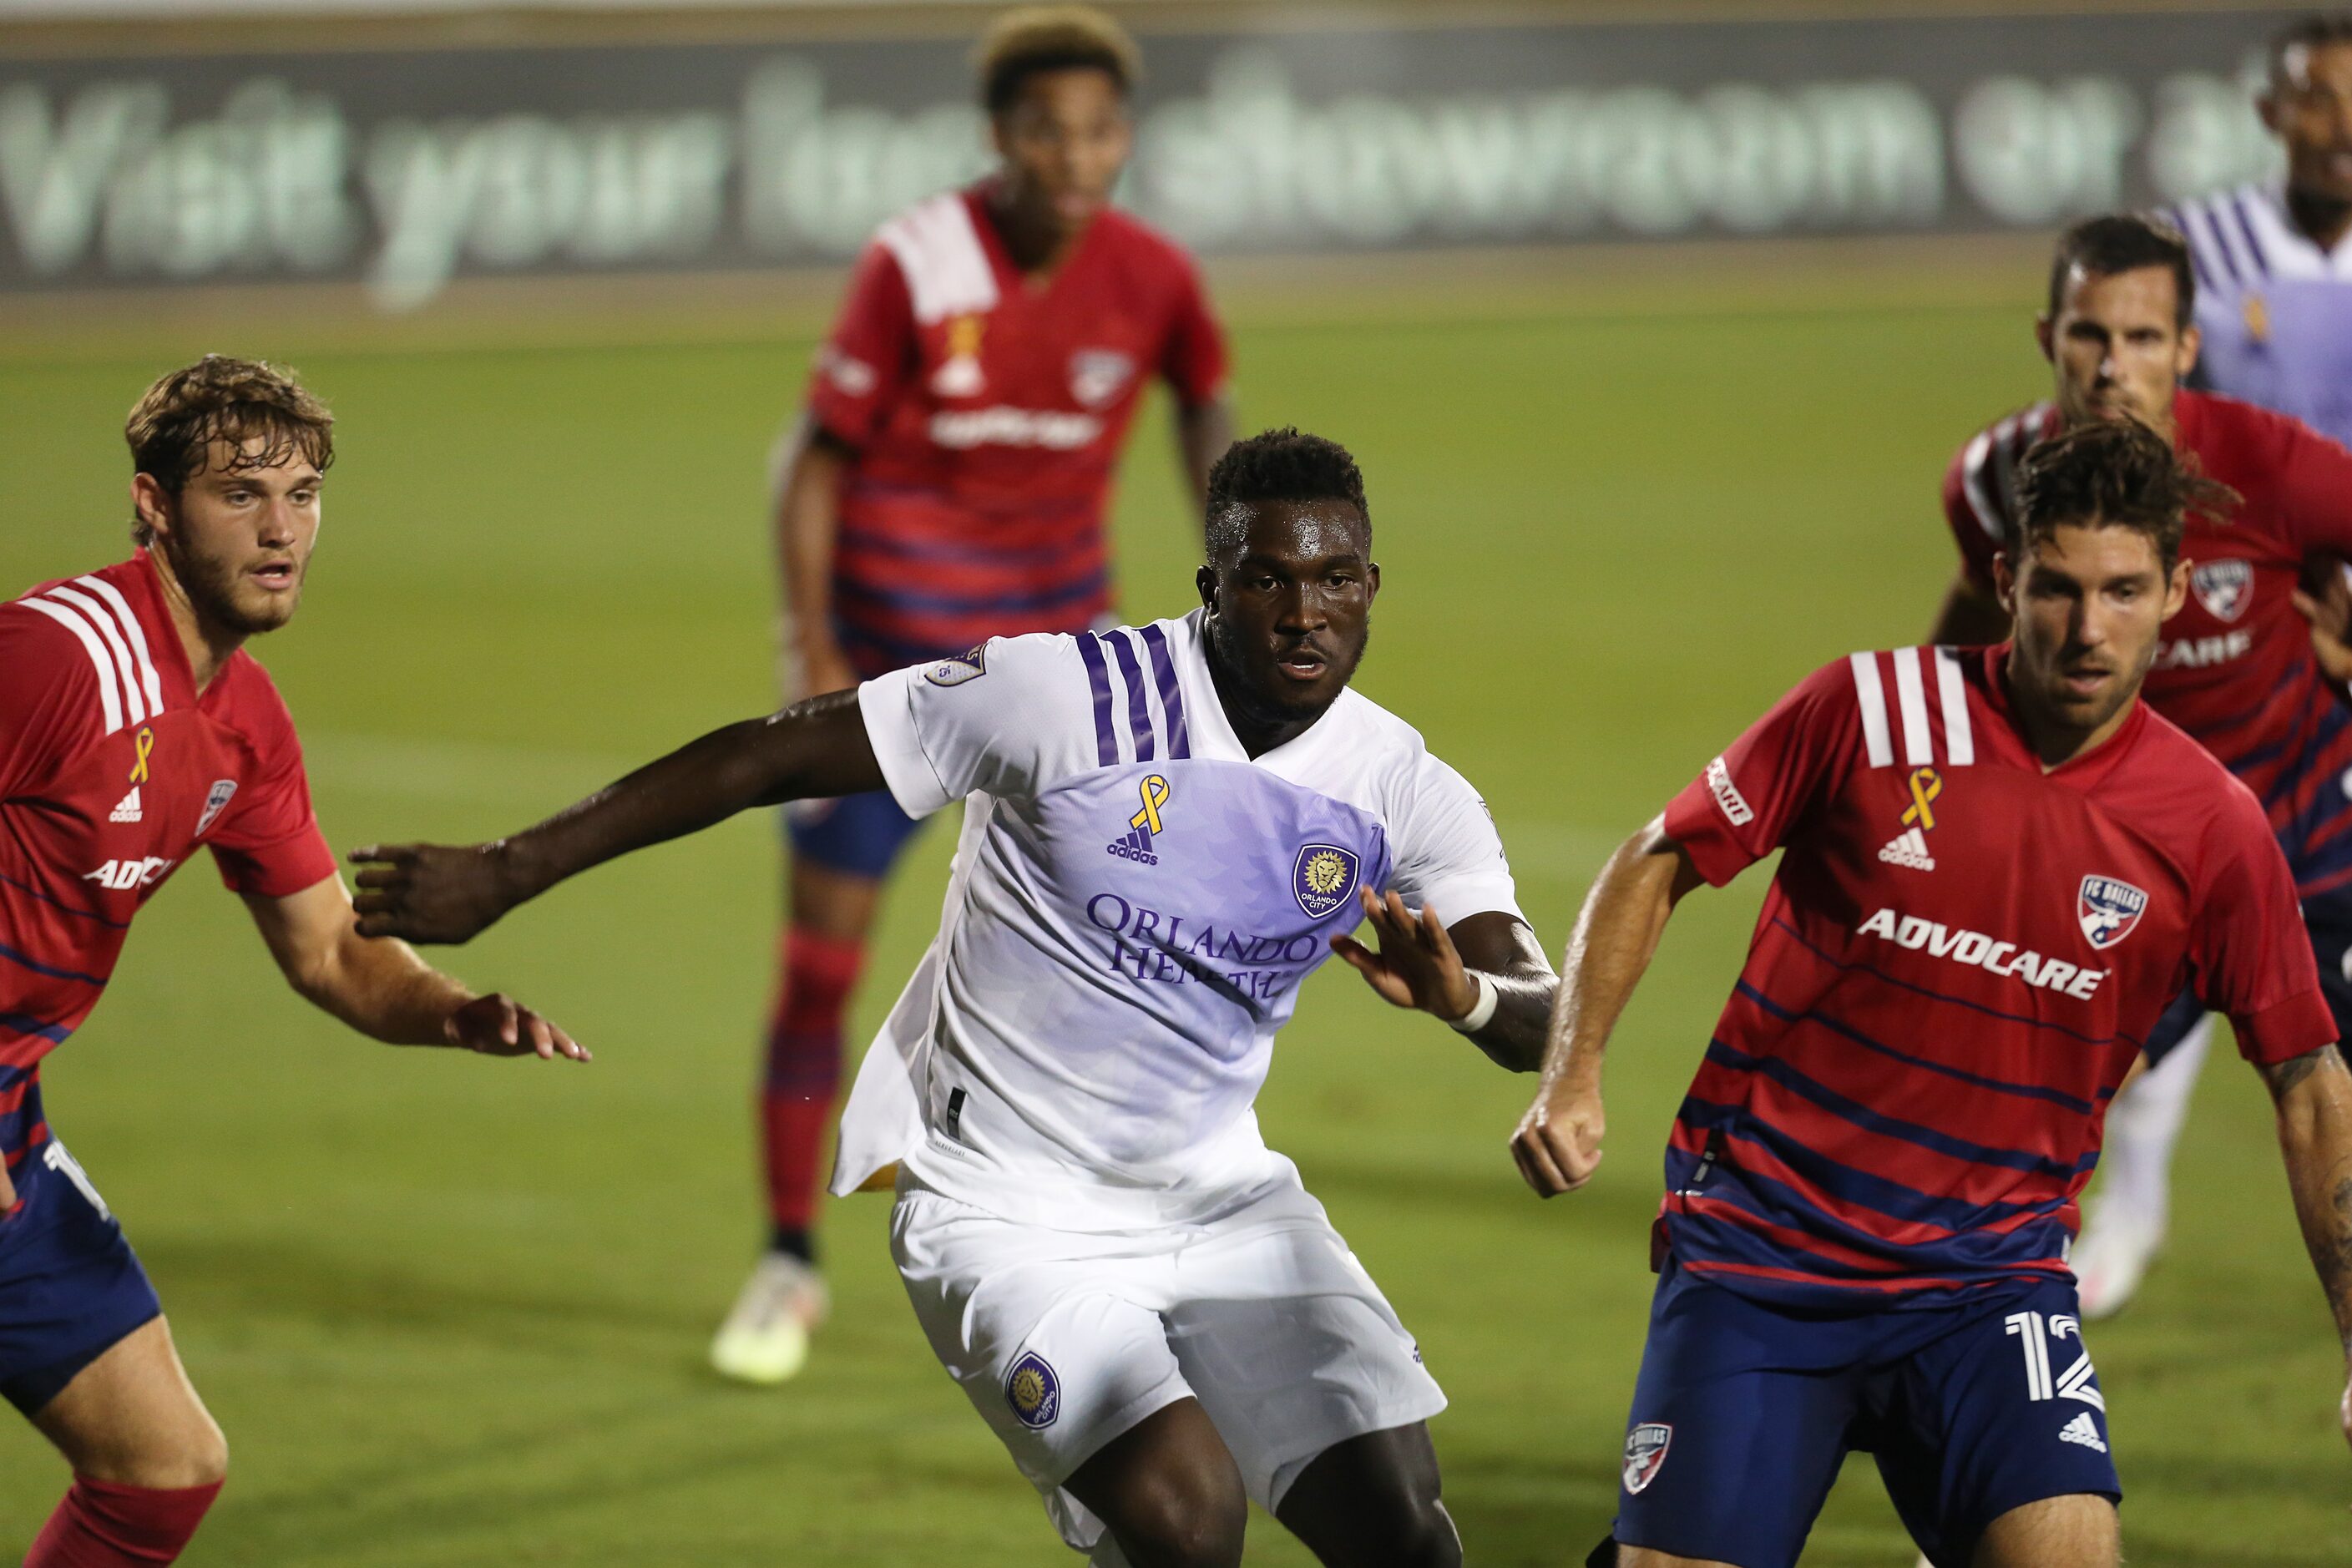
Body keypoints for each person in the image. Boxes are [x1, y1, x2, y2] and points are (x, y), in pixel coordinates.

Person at [351, 429, 1555, 1568]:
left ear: (1373, 583)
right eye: (1269, 580)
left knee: (1402, 1529)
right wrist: (507, 870)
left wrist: (1460, 999)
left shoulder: (1404, 790)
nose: (1305, 613)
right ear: (1211, 584)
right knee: (1188, 1521)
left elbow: (1546, 1023)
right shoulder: (1066, 696)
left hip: (1218, 1198)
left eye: (1336, 579)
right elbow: (765, 754)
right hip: (1001, 1207)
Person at [1513, 420, 2352, 1568]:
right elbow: (1658, 854)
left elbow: (2307, 1077)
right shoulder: (1869, 712)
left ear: (2171, 594)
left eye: (2122, 590)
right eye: (2057, 587)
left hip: (1986, 1283)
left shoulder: (2209, 825)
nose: (2088, 626)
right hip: (1765, 1259)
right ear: (2006, 580)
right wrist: (1574, 1073)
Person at [0, 356, 584, 1568]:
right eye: (240, 494)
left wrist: (454, 1010)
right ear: (154, 504)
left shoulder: (243, 720)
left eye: (305, 493)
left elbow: (329, 950)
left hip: (13, 1128)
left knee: (160, 1467)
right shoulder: (58, 657)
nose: (282, 531)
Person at [737, 0, 1233, 1386]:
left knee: (1112, 968)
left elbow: (1203, 397)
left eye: (1098, 132)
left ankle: (1095, 1245)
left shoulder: (1153, 277)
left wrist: (1229, 548)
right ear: (1000, 137)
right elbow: (814, 457)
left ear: (1123, 137)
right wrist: (807, 647)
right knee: (821, 968)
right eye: (1046, 131)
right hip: (890, 677)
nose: (1075, 158)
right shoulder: (918, 262)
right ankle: (787, 1260)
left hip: (1057, 697)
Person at [1930, 213, 2352, 1317]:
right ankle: (1984, 1327)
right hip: (2133, 860)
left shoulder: (2273, 467)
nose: (2113, 364)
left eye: (2142, 335)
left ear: (2187, 344)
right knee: (2021, 1096)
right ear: (2046, 335)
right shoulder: (1992, 481)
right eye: (2087, 334)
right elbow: (1974, 620)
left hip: (2312, 846)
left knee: (2323, 1091)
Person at [2162, 12, 2352, 448]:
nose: (2346, 127)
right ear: (2269, 114)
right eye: (2319, 101)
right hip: (2241, 513)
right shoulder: (2191, 244)